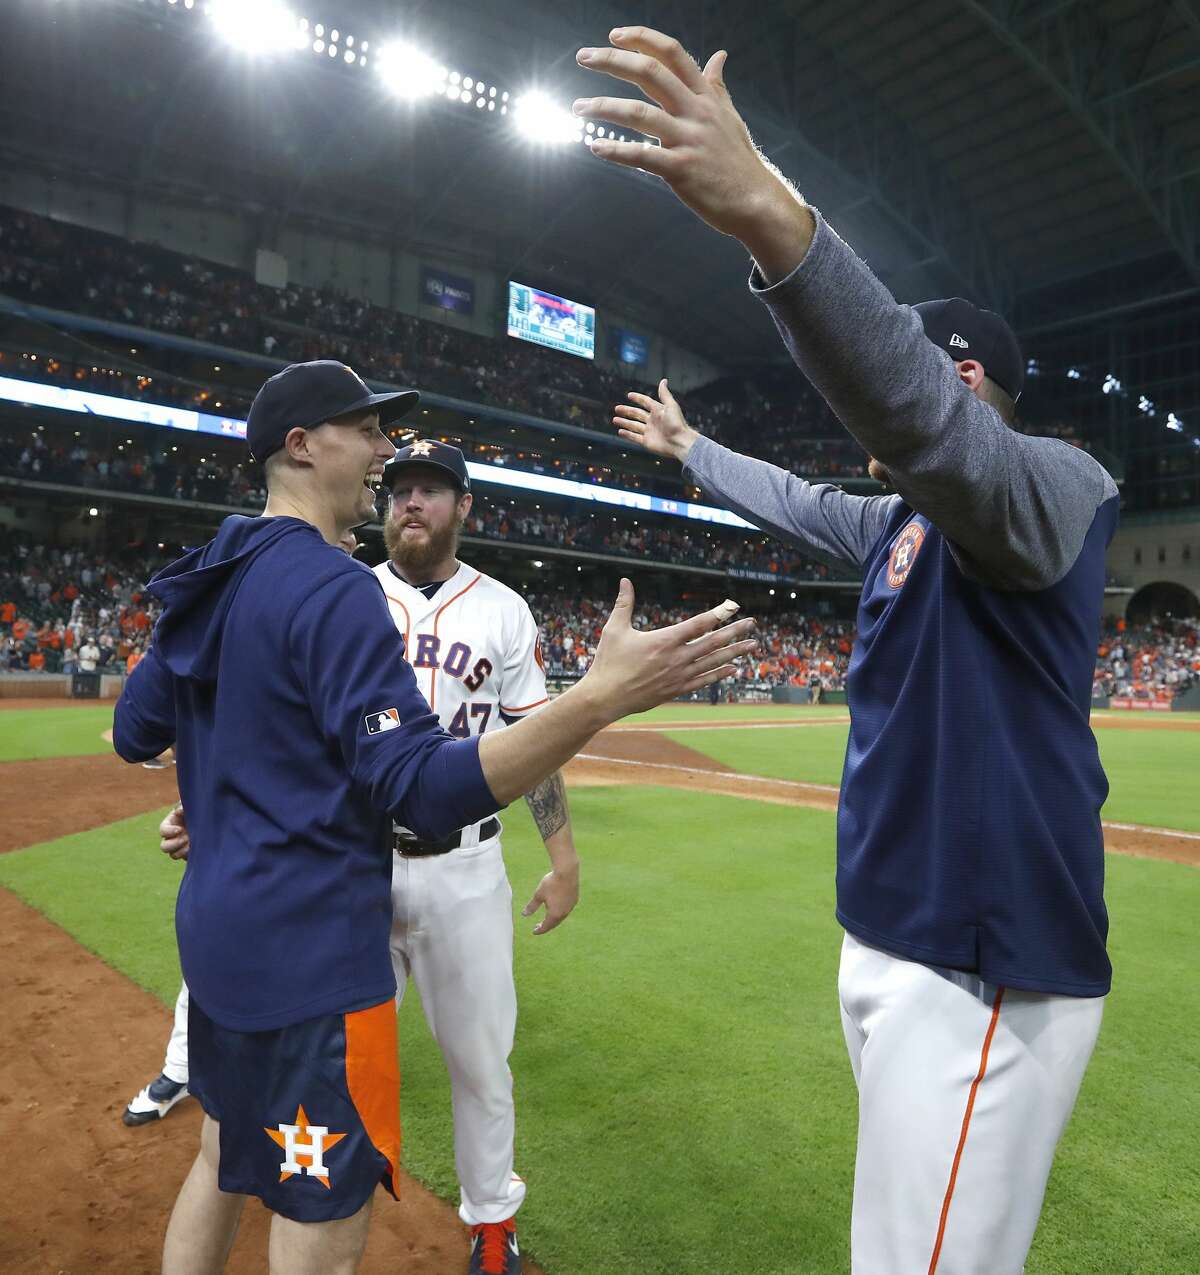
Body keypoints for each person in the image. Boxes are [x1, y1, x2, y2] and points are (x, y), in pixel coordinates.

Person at [582, 29, 1117, 1274]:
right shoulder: (897, 523)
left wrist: (773, 219)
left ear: (967, 372)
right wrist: (691, 452)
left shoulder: (1053, 487)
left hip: (984, 964)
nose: (859, 398)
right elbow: (790, 495)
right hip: (886, 936)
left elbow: (915, 414)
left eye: (908, 358)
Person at [112, 358, 754, 1275]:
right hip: (315, 954)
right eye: (364, 431)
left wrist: (220, 806)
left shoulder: (208, 572)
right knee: (320, 1199)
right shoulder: (337, 587)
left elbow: (139, 732)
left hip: (219, 932)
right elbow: (415, 786)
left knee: (221, 1155)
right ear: (302, 446)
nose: (381, 450)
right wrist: (599, 698)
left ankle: (494, 1219)